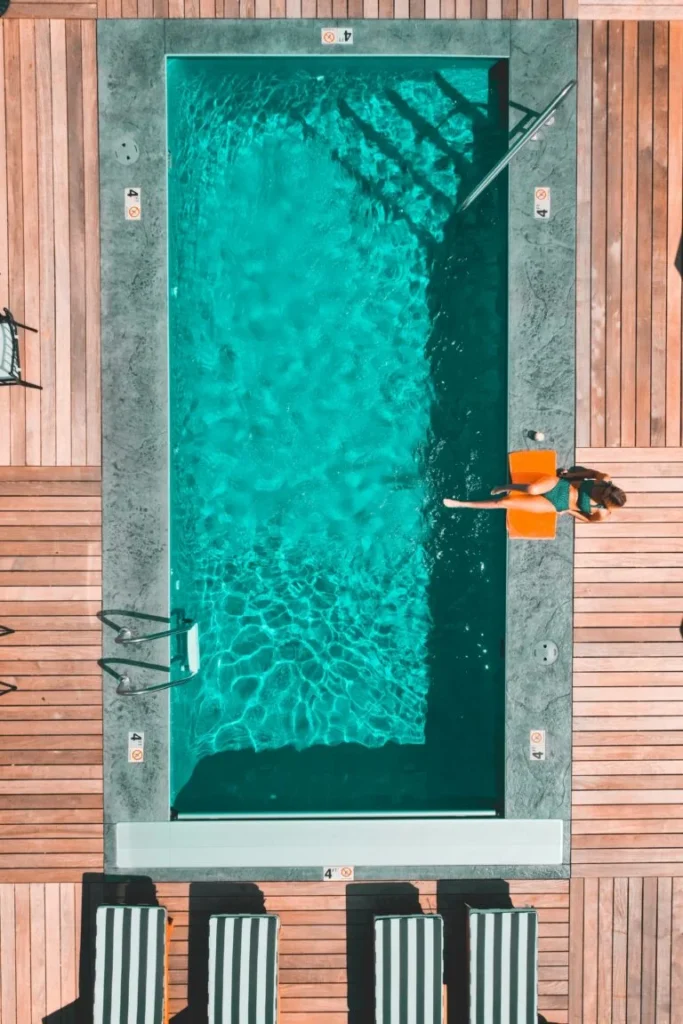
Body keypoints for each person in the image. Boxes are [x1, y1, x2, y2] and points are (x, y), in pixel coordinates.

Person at [443, 465, 626, 522]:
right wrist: (570, 475)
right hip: (560, 486)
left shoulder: (602, 513)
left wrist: (568, 512)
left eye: (603, 498)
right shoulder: (604, 479)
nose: (602, 493)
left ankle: (461, 504)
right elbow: (590, 474)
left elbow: (587, 519)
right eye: (606, 492)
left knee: (504, 503)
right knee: (531, 489)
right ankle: (505, 485)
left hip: (557, 505)